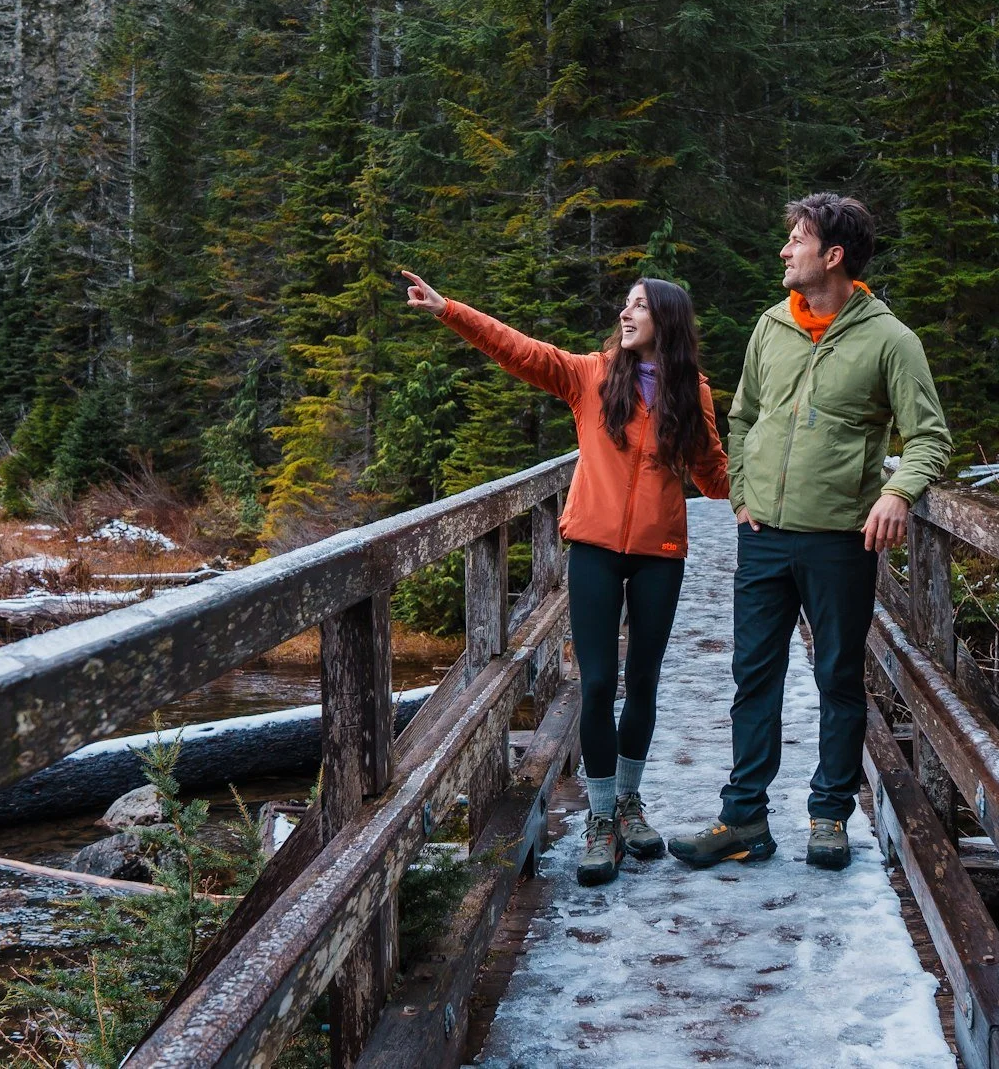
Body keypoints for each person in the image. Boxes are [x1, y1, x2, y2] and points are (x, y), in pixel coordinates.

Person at [403, 269, 731, 886]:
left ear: (668, 321)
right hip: (593, 550)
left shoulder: (693, 393)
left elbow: (714, 474)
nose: (626, 314)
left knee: (644, 679)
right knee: (601, 679)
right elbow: (518, 350)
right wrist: (451, 309)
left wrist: (765, 503)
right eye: (625, 305)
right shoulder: (591, 375)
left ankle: (631, 805)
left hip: (661, 551)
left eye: (640, 307)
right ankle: (601, 819)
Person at [668, 193, 951, 872]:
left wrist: (897, 491)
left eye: (797, 239)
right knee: (752, 675)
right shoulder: (771, 325)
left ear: (834, 256)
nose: (784, 250)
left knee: (838, 676)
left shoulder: (891, 340)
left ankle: (829, 816)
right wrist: (741, 492)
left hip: (839, 539)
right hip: (763, 534)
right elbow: (743, 417)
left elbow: (930, 438)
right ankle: (744, 820)